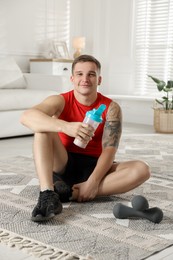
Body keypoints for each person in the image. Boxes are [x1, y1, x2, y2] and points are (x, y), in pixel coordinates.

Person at [20, 54, 150, 222]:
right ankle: (47, 193)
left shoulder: (111, 108)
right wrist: (66, 126)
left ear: (99, 79)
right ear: (72, 78)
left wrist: (93, 182)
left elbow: (110, 150)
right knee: (42, 128)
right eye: (80, 74)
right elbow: (26, 117)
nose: (85, 79)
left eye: (91, 74)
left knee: (142, 169)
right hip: (63, 163)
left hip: (95, 167)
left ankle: (69, 193)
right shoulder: (60, 100)